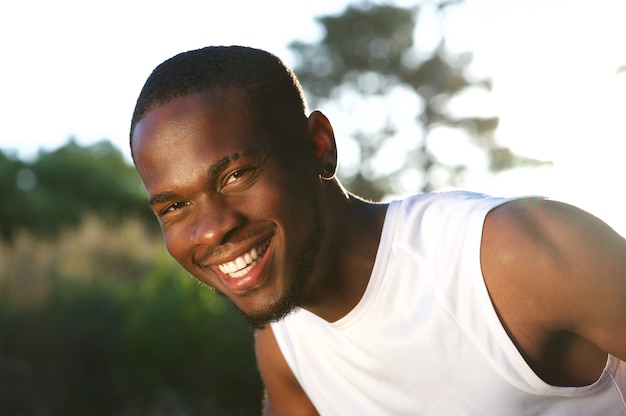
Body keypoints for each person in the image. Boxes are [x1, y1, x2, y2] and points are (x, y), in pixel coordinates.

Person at [129, 46, 626, 415]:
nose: (211, 230)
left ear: (320, 146)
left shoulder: (516, 254)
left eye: (236, 175)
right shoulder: (284, 346)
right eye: (174, 206)